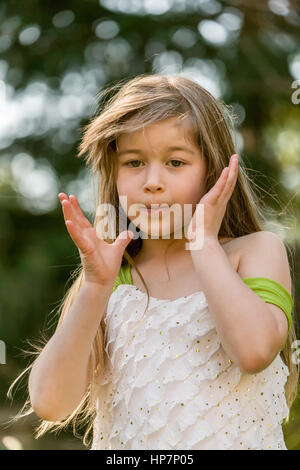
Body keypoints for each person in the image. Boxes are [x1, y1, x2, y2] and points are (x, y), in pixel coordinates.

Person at [7, 74, 299, 450]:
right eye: (133, 163)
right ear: (113, 173)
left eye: (176, 162)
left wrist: (204, 243)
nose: (152, 181)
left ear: (214, 171)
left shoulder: (254, 251)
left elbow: (254, 351)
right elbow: (50, 402)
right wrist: (95, 286)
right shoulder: (109, 280)